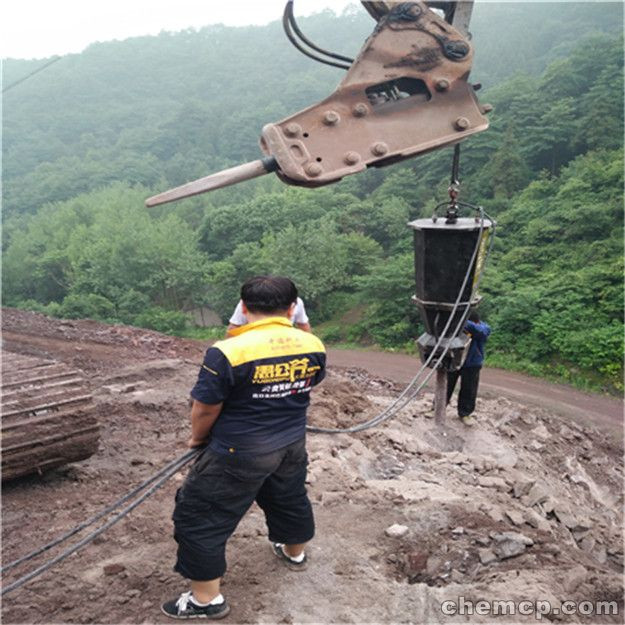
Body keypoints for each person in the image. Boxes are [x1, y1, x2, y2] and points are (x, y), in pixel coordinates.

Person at [162, 275, 326, 620]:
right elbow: (309, 384)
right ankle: (294, 552)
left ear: (244, 308)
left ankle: (205, 601)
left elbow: (205, 407)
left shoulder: (227, 351)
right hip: (291, 443)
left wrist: (197, 440)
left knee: (200, 516)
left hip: (238, 452)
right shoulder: (313, 344)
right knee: (289, 498)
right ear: (292, 308)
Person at [446, 310, 491, 425]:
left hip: (472, 363)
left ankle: (465, 413)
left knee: (469, 389)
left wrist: (462, 321)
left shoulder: (483, 328)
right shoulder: (456, 326)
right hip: (454, 360)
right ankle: (437, 407)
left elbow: (482, 332)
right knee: (447, 385)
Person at [227, 296, 311, 334]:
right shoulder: (296, 300)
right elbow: (303, 325)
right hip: (286, 343)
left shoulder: (247, 301)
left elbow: (234, 327)